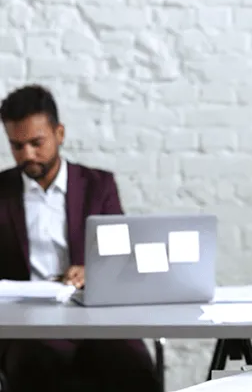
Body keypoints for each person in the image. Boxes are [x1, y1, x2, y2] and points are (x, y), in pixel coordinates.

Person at [0, 85, 160, 392]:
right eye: (16, 146)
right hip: (28, 327)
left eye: (37, 143)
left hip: (96, 318)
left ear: (59, 133)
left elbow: (122, 256)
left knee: (133, 368)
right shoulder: (1, 192)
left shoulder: (98, 186)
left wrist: (92, 271)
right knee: (34, 369)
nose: (27, 154)